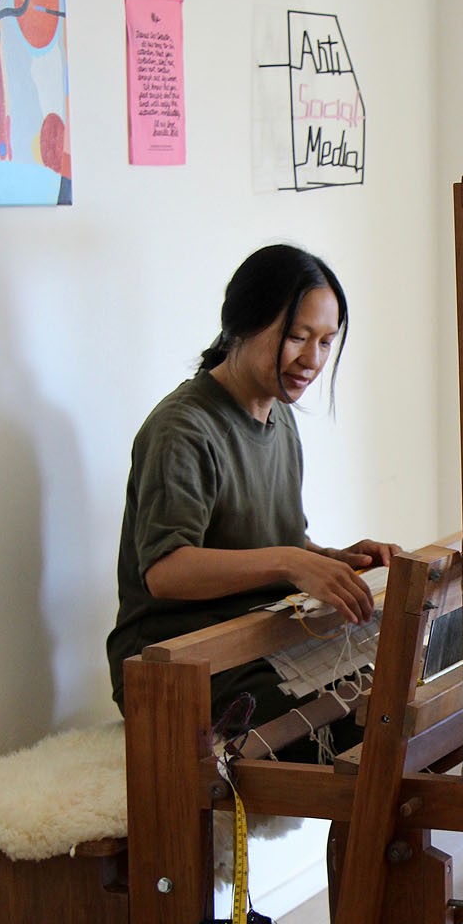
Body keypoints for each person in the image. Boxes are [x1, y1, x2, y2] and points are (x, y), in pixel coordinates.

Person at [107, 243, 399, 747]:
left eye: (327, 341)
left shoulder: (279, 415)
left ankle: (374, 826)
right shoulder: (182, 429)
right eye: (296, 336)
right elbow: (165, 570)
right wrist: (290, 562)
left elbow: (263, 539)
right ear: (240, 324)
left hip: (258, 641)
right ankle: (368, 825)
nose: (313, 360)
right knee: (362, 725)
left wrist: (331, 561)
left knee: (403, 681)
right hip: (176, 666)